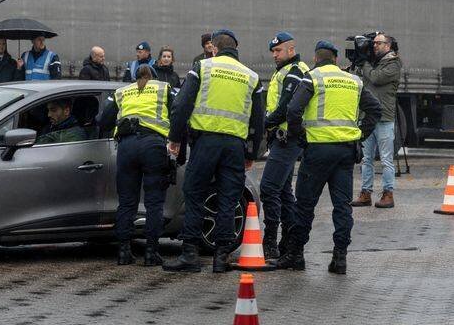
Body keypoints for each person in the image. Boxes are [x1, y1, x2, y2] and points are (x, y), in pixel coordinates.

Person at [162, 30, 265, 274]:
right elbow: (258, 120)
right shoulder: (251, 77)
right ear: (236, 49)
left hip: (205, 143)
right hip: (235, 147)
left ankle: (190, 254)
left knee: (195, 194)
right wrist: (251, 153)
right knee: (228, 199)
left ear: (214, 48)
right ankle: (221, 258)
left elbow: (182, 105)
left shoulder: (203, 68)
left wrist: (175, 138)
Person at [280, 41, 382, 274]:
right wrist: (360, 134)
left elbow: (293, 110)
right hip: (345, 152)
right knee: (342, 206)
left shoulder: (313, 78)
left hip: (317, 151)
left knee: (305, 205)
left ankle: (296, 255)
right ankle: (340, 258)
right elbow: (375, 109)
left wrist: (301, 137)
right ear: (336, 60)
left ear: (316, 59)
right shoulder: (354, 81)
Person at [98, 64, 174, 266]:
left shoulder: (122, 92)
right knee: (154, 202)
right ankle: (151, 253)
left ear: (134, 76)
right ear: (154, 76)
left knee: (126, 202)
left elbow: (103, 121)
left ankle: (124, 252)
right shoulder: (163, 88)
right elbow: (178, 114)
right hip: (153, 146)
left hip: (127, 147)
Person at [259, 32, 309, 260]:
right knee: (283, 191)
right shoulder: (286, 70)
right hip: (284, 138)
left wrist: (263, 125)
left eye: (278, 51)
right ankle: (288, 243)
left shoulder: (295, 71)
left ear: (291, 49)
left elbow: (285, 108)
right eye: (273, 51)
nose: (274, 55)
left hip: (287, 139)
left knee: (269, 188)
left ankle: (270, 242)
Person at [351, 32, 402, 209]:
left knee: (386, 159)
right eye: (373, 43)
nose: (374, 46)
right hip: (368, 117)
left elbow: (376, 78)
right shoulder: (374, 63)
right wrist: (360, 63)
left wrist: (364, 63)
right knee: (366, 159)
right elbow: (361, 80)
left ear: (388, 45)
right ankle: (366, 193)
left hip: (384, 118)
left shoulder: (394, 64)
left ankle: (388, 194)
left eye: (378, 43)